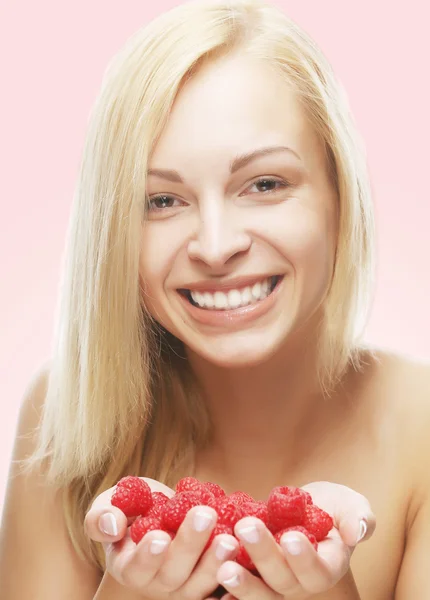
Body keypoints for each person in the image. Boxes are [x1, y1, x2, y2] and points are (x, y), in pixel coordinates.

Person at [1, 0, 429, 598]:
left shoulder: (424, 428)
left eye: (265, 184)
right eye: (162, 200)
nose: (216, 245)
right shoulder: (62, 414)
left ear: (340, 194)